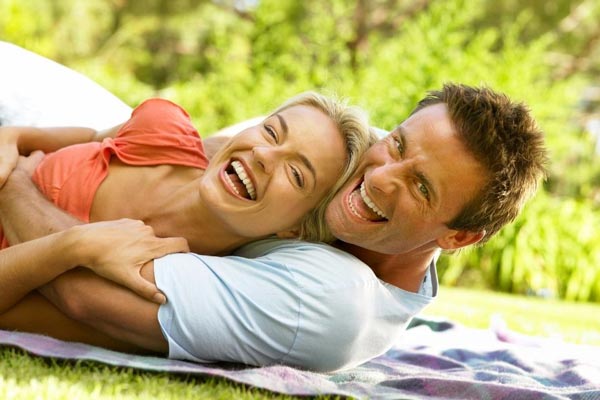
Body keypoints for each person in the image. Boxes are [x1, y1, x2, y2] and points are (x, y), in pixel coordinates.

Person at [0, 44, 547, 372]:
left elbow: (82, 293)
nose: (380, 178)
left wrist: (16, 182)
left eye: (421, 187)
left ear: (457, 238)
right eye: (398, 143)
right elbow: (195, 151)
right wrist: (22, 145)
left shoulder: (331, 302)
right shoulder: (358, 153)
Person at [0, 92, 373, 303]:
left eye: (296, 174)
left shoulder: (171, 281)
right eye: (272, 132)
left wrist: (17, 183)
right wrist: (13, 138)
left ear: (296, 228)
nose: (263, 155)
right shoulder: (163, 128)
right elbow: (93, 134)